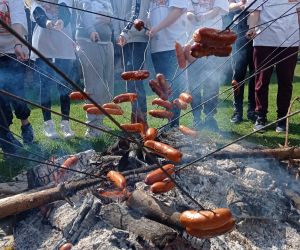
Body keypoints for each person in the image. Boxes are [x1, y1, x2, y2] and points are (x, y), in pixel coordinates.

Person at [247, 0, 300, 132]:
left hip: (290, 41)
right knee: (261, 81)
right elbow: (255, 11)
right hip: (264, 40)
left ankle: (282, 119)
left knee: (286, 82)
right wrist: (252, 28)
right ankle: (260, 117)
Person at [31, 0, 75, 139]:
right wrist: (49, 23)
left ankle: (65, 124)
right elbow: (39, 17)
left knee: (64, 87)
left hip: (63, 48)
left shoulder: (64, 1)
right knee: (45, 87)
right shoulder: (36, 3)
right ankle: (48, 125)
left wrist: (61, 22)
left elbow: (66, 14)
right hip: (44, 48)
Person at [186, 0, 229, 130]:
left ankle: (210, 117)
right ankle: (197, 117)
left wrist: (203, 17)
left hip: (214, 43)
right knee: (194, 83)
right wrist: (192, 16)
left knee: (212, 82)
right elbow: (188, 12)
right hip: (194, 43)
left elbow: (217, 10)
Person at [75, 0, 114, 137]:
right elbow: (84, 11)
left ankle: (100, 121)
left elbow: (111, 16)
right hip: (89, 41)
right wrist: (91, 30)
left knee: (106, 84)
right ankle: (92, 126)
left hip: (107, 41)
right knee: (93, 83)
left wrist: (109, 19)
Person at [0, 0, 34, 154]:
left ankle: (25, 125)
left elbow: (18, 19)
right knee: (1, 100)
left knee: (17, 94)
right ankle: (7, 137)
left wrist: (18, 44)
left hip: (13, 49)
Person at [148, 0, 188, 128]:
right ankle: (170, 124)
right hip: (157, 47)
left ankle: (174, 125)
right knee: (165, 91)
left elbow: (177, 11)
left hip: (173, 45)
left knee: (174, 88)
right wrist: (148, 28)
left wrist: (156, 28)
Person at [118, 0, 150, 127]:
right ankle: (135, 117)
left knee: (137, 82)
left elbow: (136, 14)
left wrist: (124, 32)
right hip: (126, 40)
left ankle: (142, 119)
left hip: (137, 39)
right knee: (130, 84)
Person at [229, 0, 256, 124]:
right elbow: (229, 5)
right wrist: (241, 5)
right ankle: (237, 111)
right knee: (238, 74)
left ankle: (252, 110)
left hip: (256, 30)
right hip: (239, 30)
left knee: (255, 74)